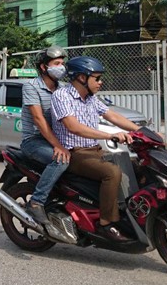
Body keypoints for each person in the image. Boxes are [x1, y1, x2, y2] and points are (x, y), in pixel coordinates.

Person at [50, 56, 141, 243]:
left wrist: (142, 131)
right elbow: (73, 126)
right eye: (97, 78)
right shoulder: (62, 96)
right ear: (82, 78)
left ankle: (128, 214)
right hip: (74, 153)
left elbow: (112, 115)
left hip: (94, 150)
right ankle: (106, 224)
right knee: (112, 173)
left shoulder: (91, 98)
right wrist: (110, 136)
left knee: (135, 167)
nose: (101, 82)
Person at [21, 46, 69, 225]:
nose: (61, 67)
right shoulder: (31, 86)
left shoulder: (63, 88)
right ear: (43, 67)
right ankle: (36, 202)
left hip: (55, 140)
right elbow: (38, 119)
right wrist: (58, 145)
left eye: (62, 63)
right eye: (56, 63)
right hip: (33, 141)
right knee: (61, 159)